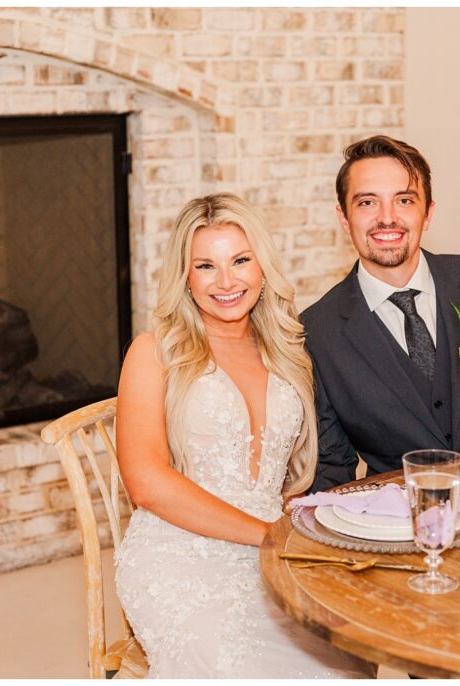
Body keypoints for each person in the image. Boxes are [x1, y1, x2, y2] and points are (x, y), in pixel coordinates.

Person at [114, 193, 370, 678]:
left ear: (262, 266)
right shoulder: (153, 352)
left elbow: (296, 467)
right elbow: (145, 483)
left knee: (348, 654)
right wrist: (272, 536)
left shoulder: (288, 350)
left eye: (240, 260)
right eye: (206, 265)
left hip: (273, 551)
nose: (227, 281)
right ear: (185, 277)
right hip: (179, 555)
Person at [302, 135, 460, 492]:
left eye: (404, 200)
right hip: (396, 530)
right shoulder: (317, 331)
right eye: (367, 202)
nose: (387, 218)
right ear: (343, 216)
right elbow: (331, 465)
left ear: (428, 212)